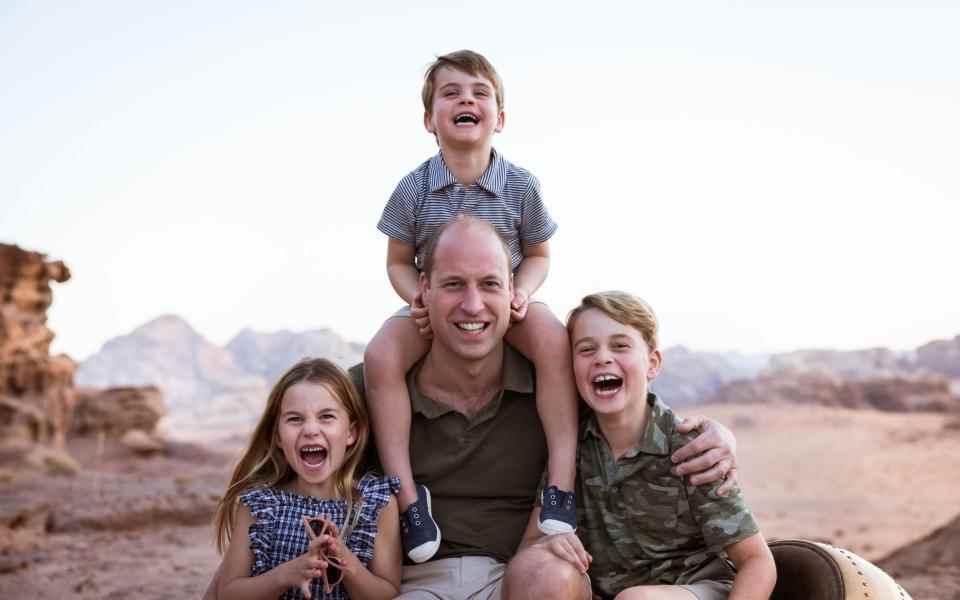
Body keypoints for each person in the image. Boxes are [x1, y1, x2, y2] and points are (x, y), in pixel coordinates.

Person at [203, 217, 740, 600]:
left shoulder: (552, 384)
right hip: (407, 584)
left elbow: (629, 407)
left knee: (550, 578)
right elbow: (282, 475)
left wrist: (717, 433)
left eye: (489, 285)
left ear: (513, 293)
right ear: (423, 293)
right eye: (453, 285)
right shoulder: (367, 393)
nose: (473, 305)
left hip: (518, 576)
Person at [364, 49, 581, 563]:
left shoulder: (520, 185)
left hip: (504, 302)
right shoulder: (414, 187)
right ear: (429, 119)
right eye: (452, 93)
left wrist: (521, 291)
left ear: (499, 118)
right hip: (438, 305)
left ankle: (562, 484)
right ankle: (409, 500)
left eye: (480, 92)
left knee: (553, 339)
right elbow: (397, 261)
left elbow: (538, 254)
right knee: (380, 356)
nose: (467, 99)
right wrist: (413, 293)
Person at [547, 291, 777, 600]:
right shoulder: (569, 444)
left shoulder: (690, 448)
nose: (602, 357)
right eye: (586, 349)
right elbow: (538, 540)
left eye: (620, 346)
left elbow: (757, 562)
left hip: (695, 590)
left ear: (653, 363)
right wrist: (551, 542)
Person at [212, 358, 402, 600]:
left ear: (351, 433)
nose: (311, 430)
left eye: (326, 417)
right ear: (278, 437)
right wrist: (286, 575)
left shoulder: (376, 504)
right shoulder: (260, 506)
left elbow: (386, 593)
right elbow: (228, 594)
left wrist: (342, 558)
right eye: (295, 419)